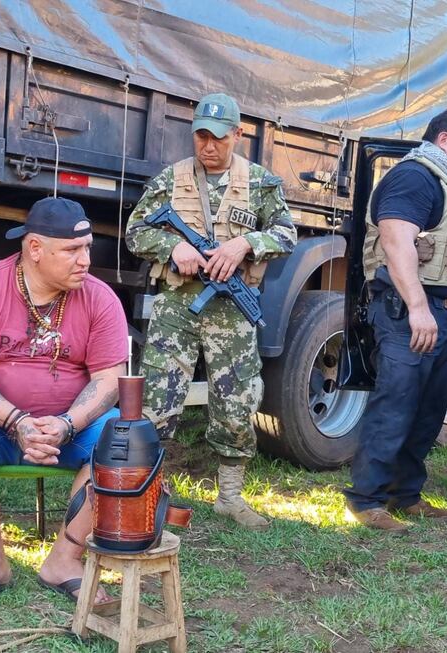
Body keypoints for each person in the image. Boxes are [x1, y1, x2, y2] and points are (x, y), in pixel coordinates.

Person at [0, 196, 127, 610]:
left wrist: (67, 424)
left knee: (124, 440)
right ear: (35, 248)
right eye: (72, 250)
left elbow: (111, 379)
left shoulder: (99, 298)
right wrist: (16, 421)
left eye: (88, 248)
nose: (85, 260)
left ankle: (65, 561)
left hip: (68, 429)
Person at [125, 93, 296, 530]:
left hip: (232, 312)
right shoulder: (171, 179)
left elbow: (286, 234)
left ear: (237, 134)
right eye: (202, 136)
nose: (209, 145)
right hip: (177, 305)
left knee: (237, 403)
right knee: (157, 401)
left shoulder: (260, 183)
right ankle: (149, 494)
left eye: (219, 137)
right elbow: (135, 231)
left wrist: (245, 244)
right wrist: (173, 247)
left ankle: (230, 498)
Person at [344, 109, 447, 531]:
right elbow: (395, 240)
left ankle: (403, 494)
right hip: (409, 311)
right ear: (445, 139)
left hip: (439, 313)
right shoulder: (416, 177)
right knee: (396, 404)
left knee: (428, 409)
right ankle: (366, 501)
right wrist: (419, 307)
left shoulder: (443, 182)